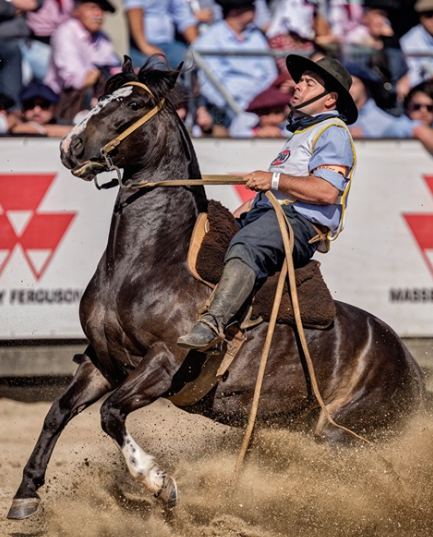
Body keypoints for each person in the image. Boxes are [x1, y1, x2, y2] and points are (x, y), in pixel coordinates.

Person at [177, 55, 358, 351]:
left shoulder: (333, 133)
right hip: (271, 215)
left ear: (330, 99)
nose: (298, 86)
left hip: (299, 224)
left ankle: (214, 323)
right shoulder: (302, 133)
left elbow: (326, 191)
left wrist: (272, 179)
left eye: (309, 83)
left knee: (247, 244)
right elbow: (278, 191)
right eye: (300, 81)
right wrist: (238, 213)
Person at [191, 0, 277, 126]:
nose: (255, 9)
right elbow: (208, 82)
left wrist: (267, 102)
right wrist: (231, 106)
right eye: (249, 6)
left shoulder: (256, 36)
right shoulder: (210, 38)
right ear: (235, 11)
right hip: (228, 110)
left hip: (262, 106)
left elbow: (271, 74)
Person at [43, 0, 120, 123]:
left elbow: (115, 69)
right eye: (92, 8)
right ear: (76, 11)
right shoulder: (65, 33)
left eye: (102, 10)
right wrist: (102, 74)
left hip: (93, 97)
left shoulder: (103, 38)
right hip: (62, 102)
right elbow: (78, 80)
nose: (98, 14)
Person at [124, 0, 200, 68]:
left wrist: (198, 47)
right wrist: (146, 47)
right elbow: (134, 9)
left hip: (168, 43)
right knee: (157, 68)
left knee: (192, 61)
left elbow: (183, 15)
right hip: (140, 46)